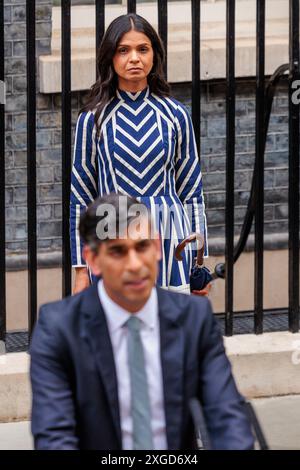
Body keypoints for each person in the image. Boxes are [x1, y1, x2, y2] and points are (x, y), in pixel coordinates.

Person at [31, 194, 254, 450]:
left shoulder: (194, 318)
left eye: (142, 247)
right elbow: (54, 435)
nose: (135, 265)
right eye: (117, 251)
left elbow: (226, 415)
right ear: (92, 260)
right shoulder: (58, 328)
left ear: (157, 246)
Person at [70, 13, 207, 295]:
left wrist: (198, 263)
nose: (134, 58)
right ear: (110, 56)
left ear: (154, 55)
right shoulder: (92, 119)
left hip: (171, 240)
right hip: (115, 237)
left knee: (171, 332)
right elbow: (81, 198)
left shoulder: (175, 115)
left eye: (142, 49)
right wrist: (81, 270)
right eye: (124, 50)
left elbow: (192, 192)